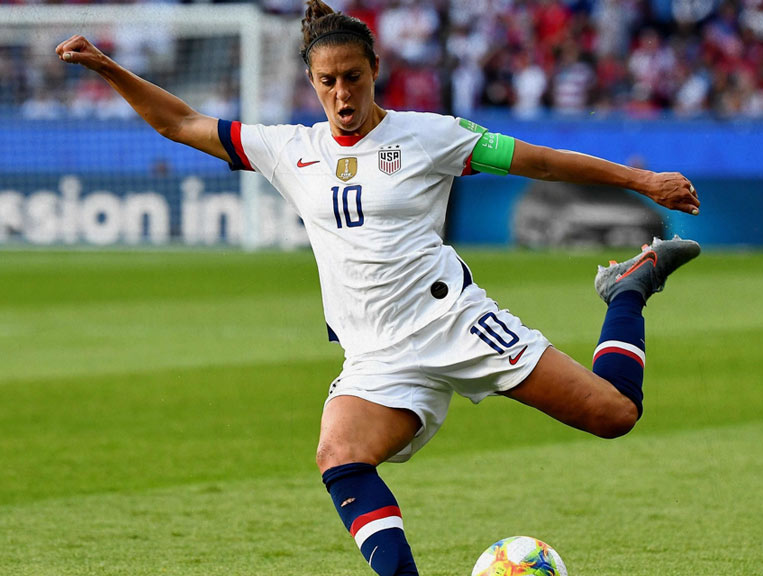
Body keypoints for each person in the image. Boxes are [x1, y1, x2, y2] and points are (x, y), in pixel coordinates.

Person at [56, 2, 701, 574]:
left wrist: (641, 182)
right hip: (374, 357)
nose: (342, 94)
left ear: (375, 71)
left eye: (353, 78)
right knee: (339, 455)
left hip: (454, 324)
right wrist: (110, 68)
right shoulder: (290, 150)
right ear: (312, 83)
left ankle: (627, 290)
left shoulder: (431, 136)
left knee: (615, 414)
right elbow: (181, 123)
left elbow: (536, 158)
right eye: (328, 81)